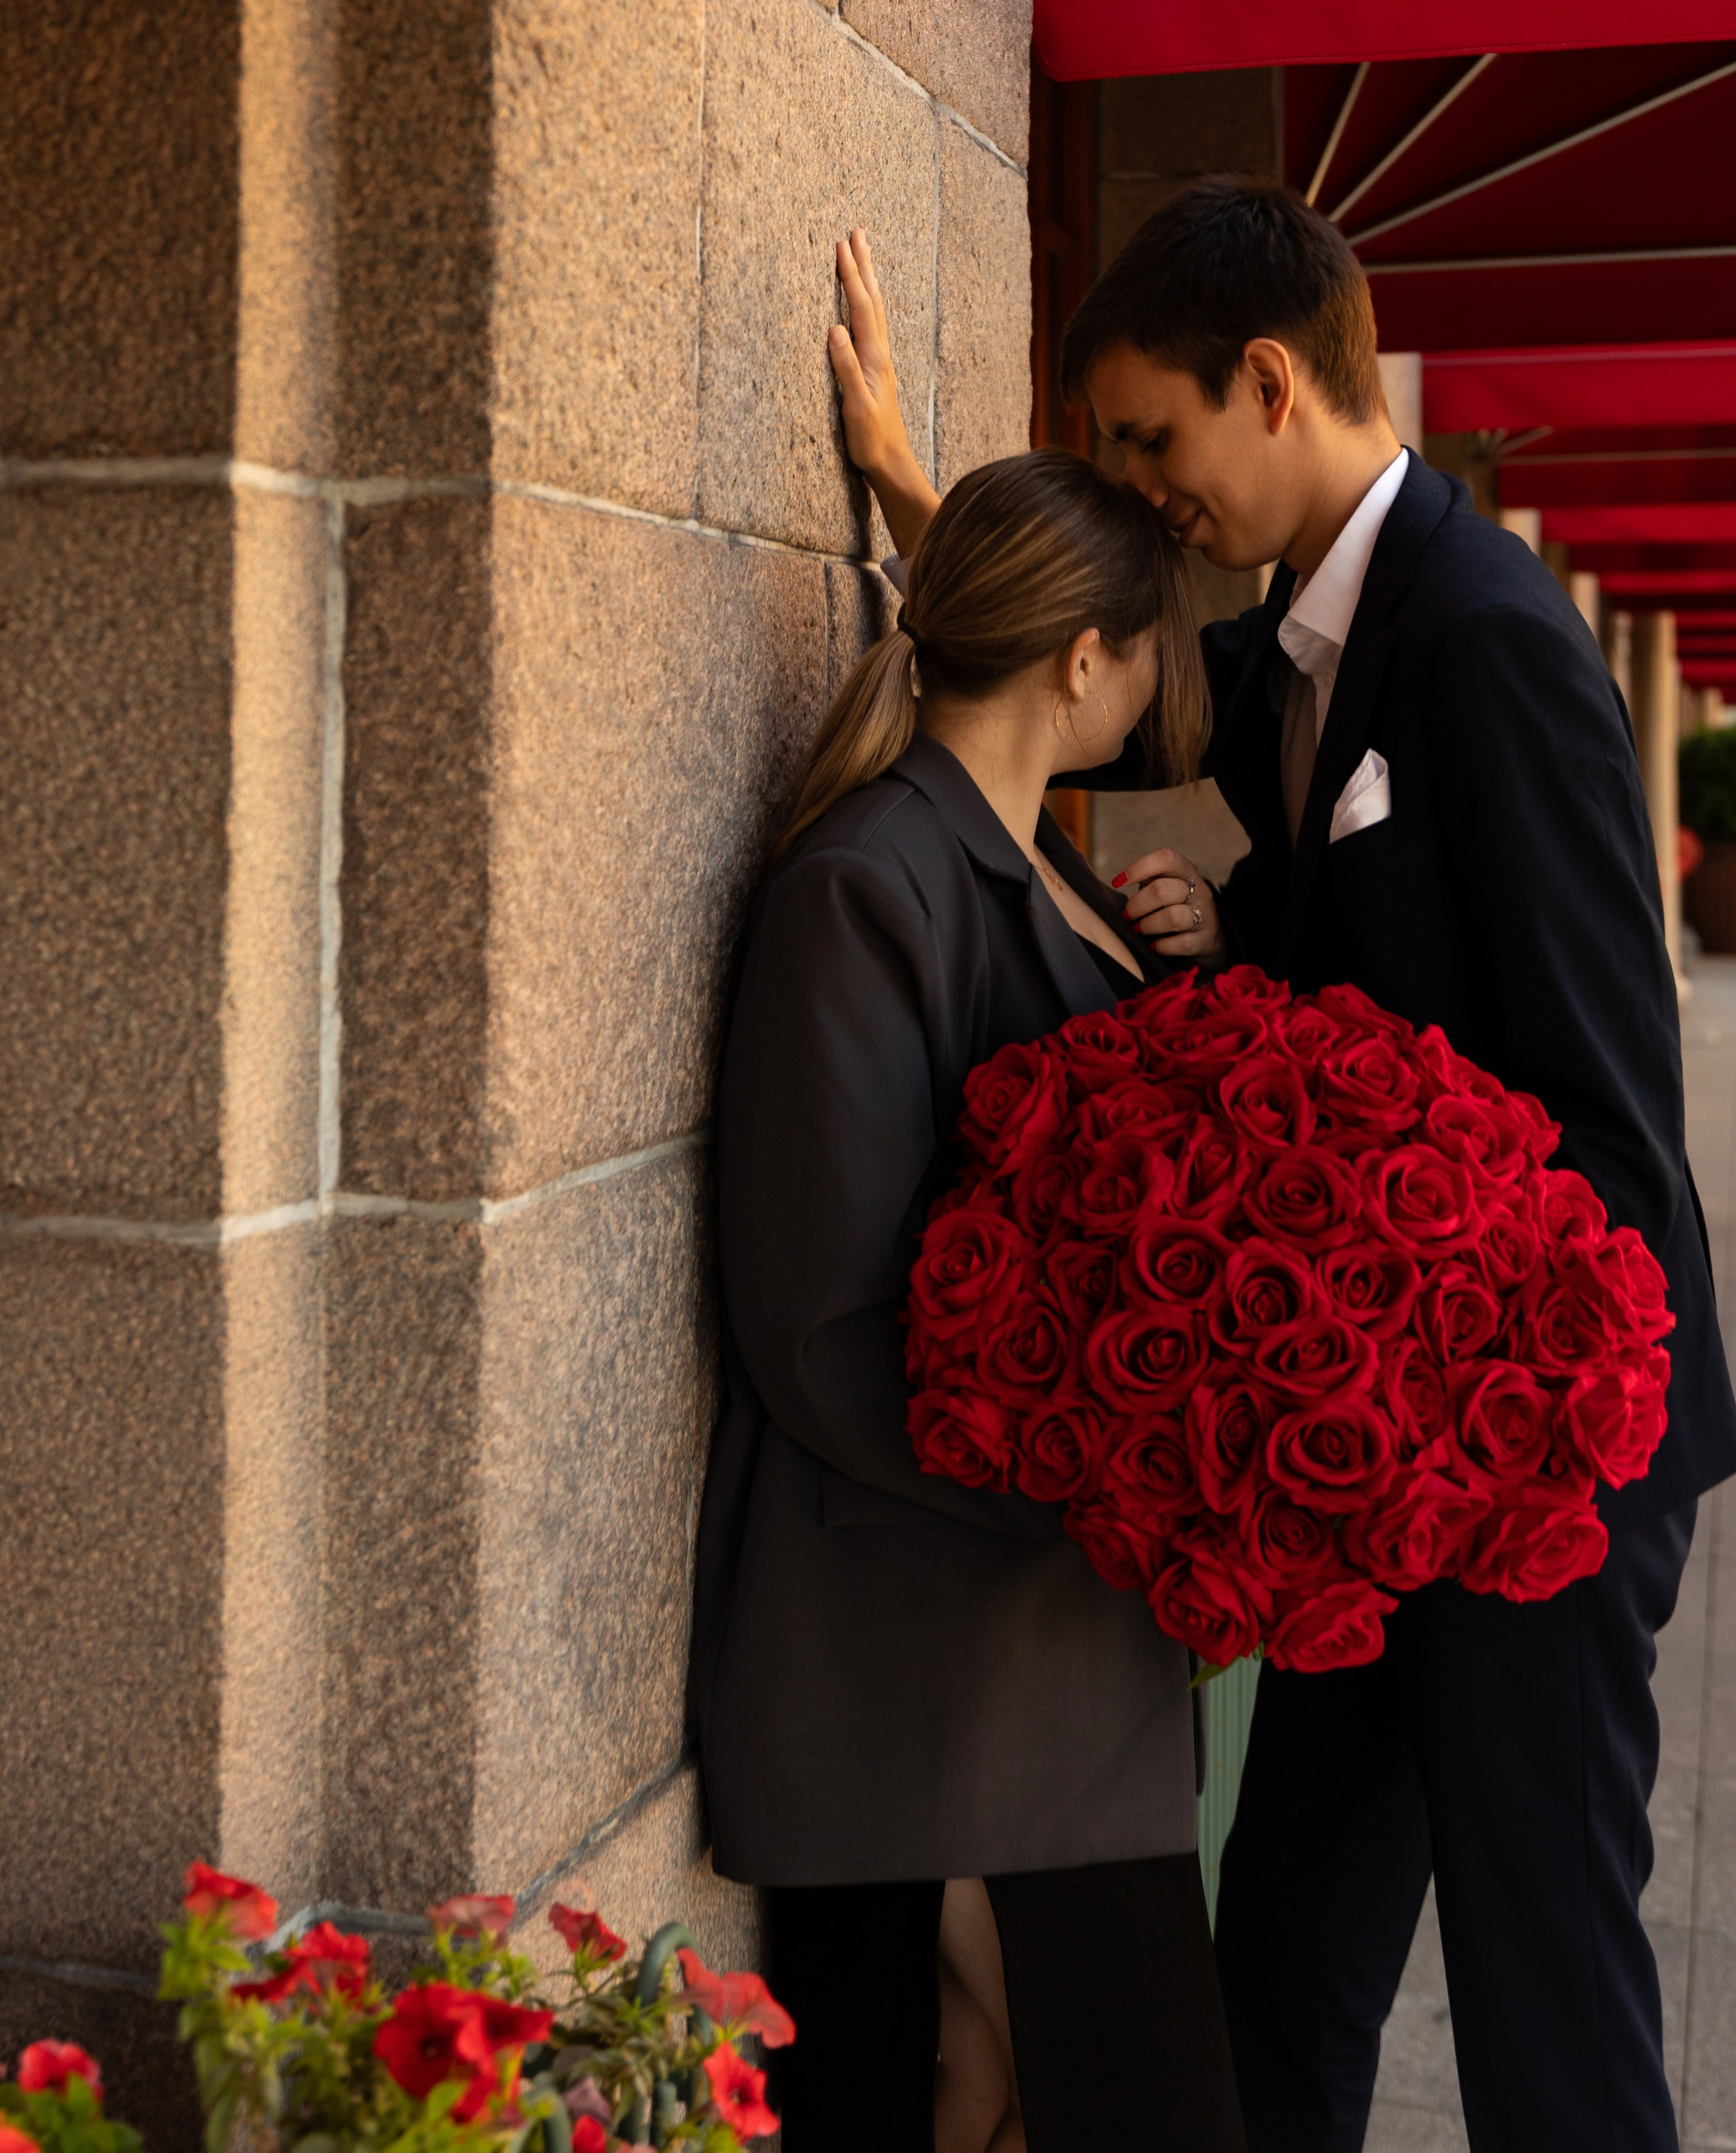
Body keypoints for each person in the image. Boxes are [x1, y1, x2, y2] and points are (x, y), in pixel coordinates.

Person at [833, 188, 1736, 2153]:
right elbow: (1057, 674)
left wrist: (1469, 1400)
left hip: (1541, 1464)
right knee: (1281, 1977)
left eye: (1148, 438)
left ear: (1268, 379)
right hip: (1382, 1469)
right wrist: (912, 493)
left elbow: (1611, 1111)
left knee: (1544, 2000)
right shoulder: (1292, 652)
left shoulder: (1488, 639)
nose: (1140, 488)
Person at [692, 448, 1249, 2153]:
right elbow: (819, 1325)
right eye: (1146, 645)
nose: (1159, 683)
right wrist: (1093, 1479)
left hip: (1034, 1653)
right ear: (1083, 657)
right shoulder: (867, 880)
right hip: (925, 1664)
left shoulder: (1032, 861)